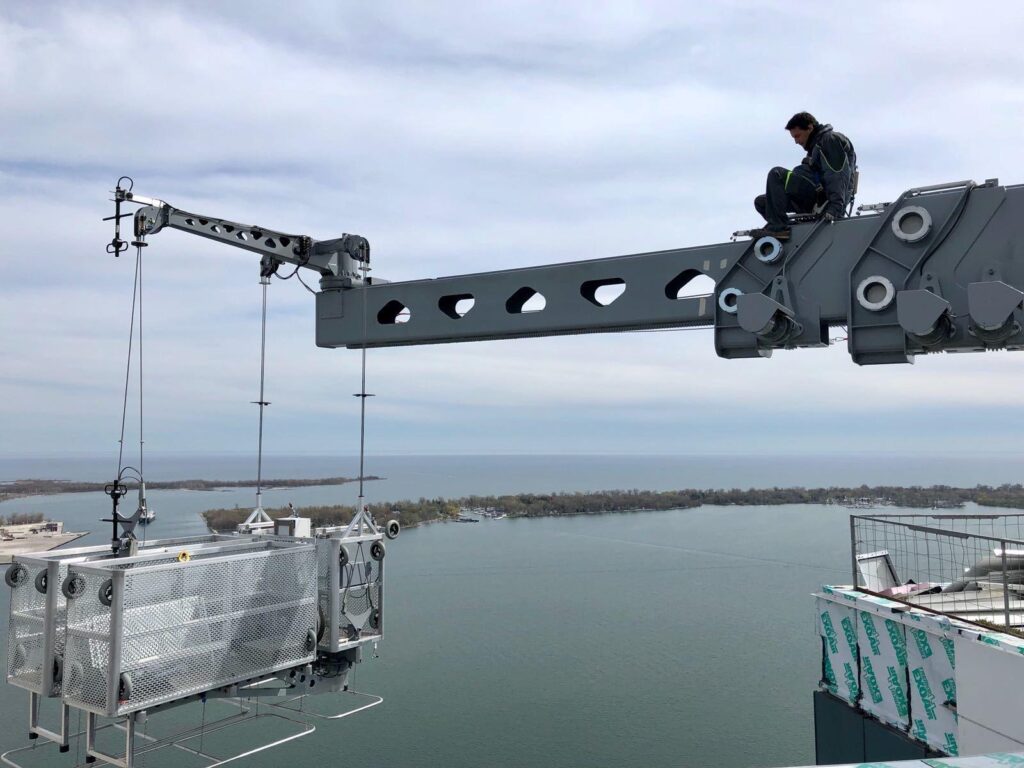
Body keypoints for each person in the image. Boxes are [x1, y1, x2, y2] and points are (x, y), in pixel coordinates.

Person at [750, 112, 856, 241]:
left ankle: (779, 228)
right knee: (762, 203)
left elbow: (837, 175)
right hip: (810, 196)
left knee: (776, 174)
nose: (796, 142)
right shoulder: (815, 148)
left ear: (810, 128)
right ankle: (782, 226)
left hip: (820, 198)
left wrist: (835, 207)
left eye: (798, 136)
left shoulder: (829, 140)